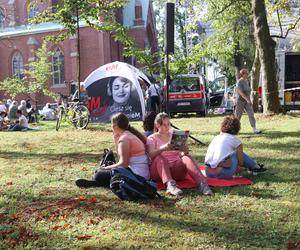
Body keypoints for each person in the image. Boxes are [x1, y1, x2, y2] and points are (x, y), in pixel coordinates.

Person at [75, 112, 149, 188]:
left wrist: (106, 168)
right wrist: (116, 139)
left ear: (115, 126)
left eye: (112, 124)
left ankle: (96, 182)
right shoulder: (128, 134)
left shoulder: (124, 139)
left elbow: (123, 164)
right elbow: (121, 157)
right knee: (103, 170)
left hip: (137, 176)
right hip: (141, 173)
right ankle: (96, 182)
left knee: (99, 174)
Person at [147, 112, 212, 196]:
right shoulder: (152, 138)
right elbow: (151, 155)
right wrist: (163, 149)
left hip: (176, 169)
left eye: (168, 124)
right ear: (157, 125)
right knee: (160, 158)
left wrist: (184, 151)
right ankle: (170, 185)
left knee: (186, 157)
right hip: (159, 172)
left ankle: (203, 184)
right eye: (164, 125)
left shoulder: (174, 135)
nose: (167, 127)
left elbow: (181, 154)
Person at [235, 68, 261, 134]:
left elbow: (248, 91)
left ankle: (254, 129)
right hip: (240, 101)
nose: (247, 74)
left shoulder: (246, 81)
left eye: (247, 73)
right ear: (242, 74)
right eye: (246, 73)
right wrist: (247, 99)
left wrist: (252, 94)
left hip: (247, 101)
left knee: (251, 114)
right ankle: (234, 130)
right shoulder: (239, 82)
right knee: (238, 116)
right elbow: (240, 92)